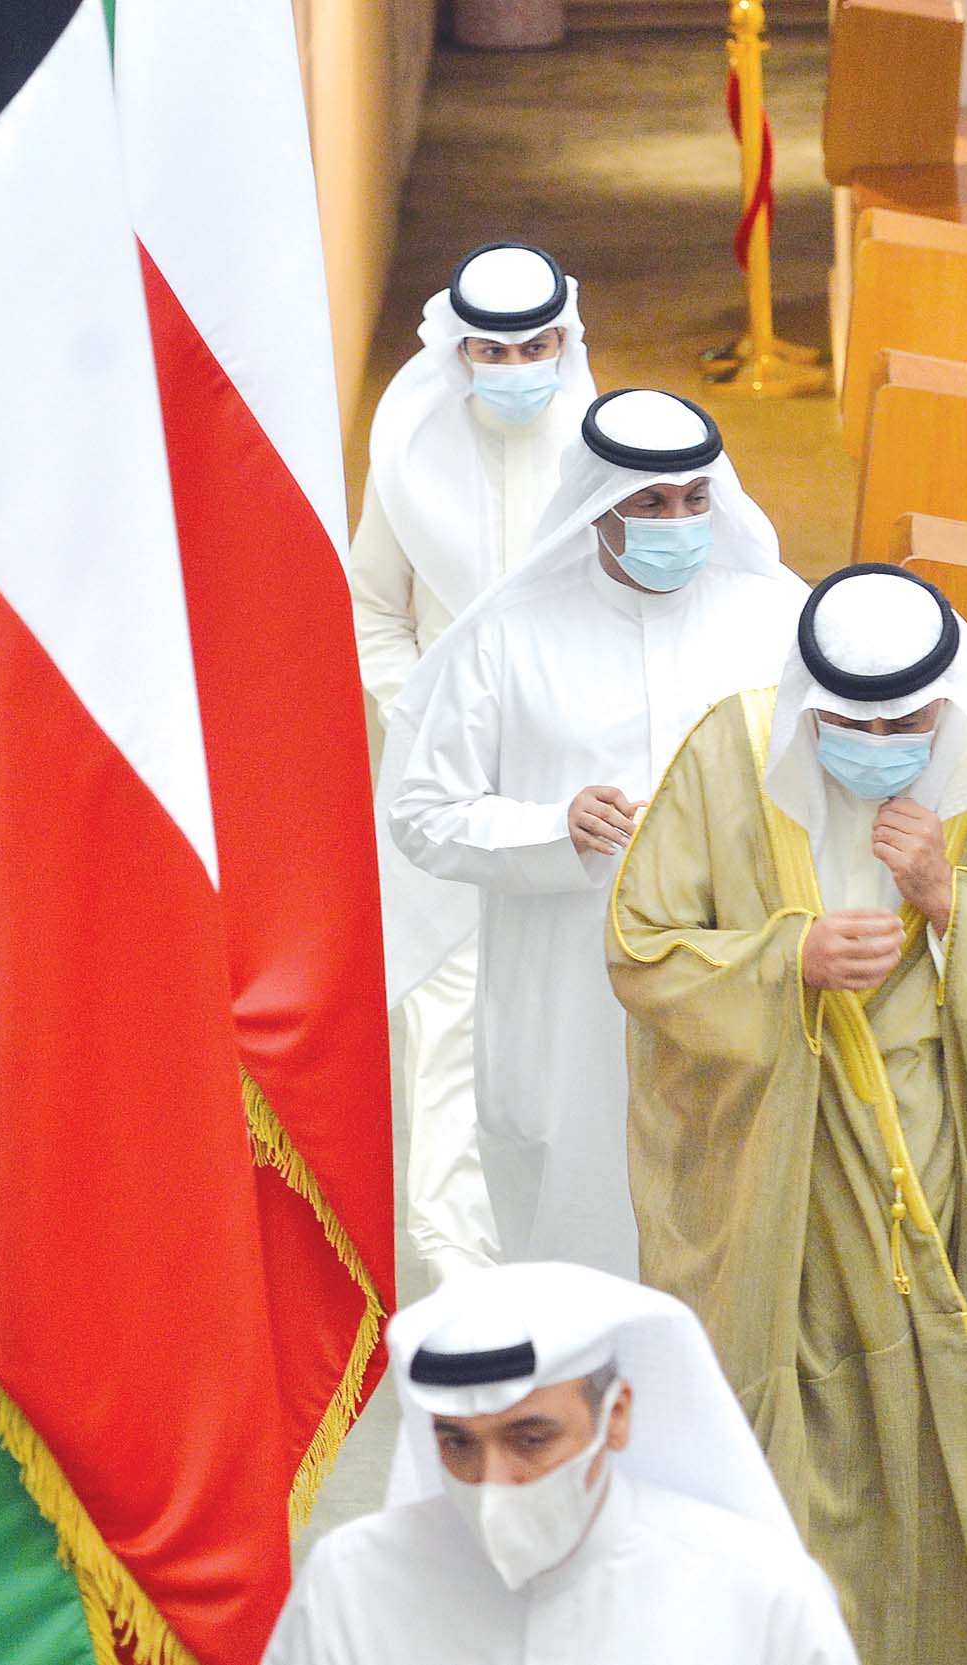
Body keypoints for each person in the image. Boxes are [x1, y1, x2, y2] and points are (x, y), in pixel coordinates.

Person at [606, 565, 967, 1665]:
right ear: (808, 705)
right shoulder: (731, 755)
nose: (879, 743)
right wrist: (787, 959)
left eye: (907, 724)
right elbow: (643, 949)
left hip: (949, 1155)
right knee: (795, 1439)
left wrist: (950, 902)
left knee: (940, 1434)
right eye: (850, 725)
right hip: (777, 1162)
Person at [385, 389, 808, 1279]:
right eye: (650, 502)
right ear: (599, 506)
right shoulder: (508, 636)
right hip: (566, 994)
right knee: (579, 1227)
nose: (678, 522)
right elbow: (423, 811)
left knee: (739, 1227)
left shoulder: (774, 620)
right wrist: (553, 828)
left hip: (738, 969)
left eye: (694, 499)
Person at [354, 242, 596, 1282]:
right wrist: (429, 720)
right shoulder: (407, 454)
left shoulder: (597, 450)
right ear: (458, 350)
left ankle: (568, 1265)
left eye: (536, 348)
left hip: (571, 784)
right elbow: (372, 609)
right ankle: (460, 1268)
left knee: (573, 1024)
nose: (516, 368)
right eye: (493, 351)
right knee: (448, 1014)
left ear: (564, 342)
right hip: (440, 786)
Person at [264, 1262, 859, 1664]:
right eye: (459, 1445)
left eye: (529, 1440)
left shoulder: (759, 1594)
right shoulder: (351, 1583)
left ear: (616, 1416)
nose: (493, 1482)